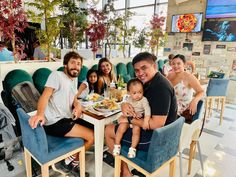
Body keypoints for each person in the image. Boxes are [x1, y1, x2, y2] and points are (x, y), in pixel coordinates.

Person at [105, 52, 178, 177]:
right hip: (164, 135)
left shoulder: (160, 87)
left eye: (144, 68)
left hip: (157, 140)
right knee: (118, 125)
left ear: (154, 66)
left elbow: (156, 124)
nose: (140, 73)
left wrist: (128, 119)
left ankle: (126, 174)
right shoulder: (150, 82)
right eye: (137, 70)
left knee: (108, 130)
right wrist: (124, 104)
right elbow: (134, 98)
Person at [28, 51, 94, 177]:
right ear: (65, 65)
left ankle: (70, 161)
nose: (76, 66)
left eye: (79, 64)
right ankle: (67, 163)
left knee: (92, 126)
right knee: (92, 136)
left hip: (65, 118)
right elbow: (45, 96)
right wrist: (40, 114)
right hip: (55, 122)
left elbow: (73, 96)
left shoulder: (73, 79)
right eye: (73, 63)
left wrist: (78, 105)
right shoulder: (57, 76)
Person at [113, 78, 150, 158]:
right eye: (134, 93)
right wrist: (127, 112)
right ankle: (117, 144)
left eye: (140, 92)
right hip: (129, 118)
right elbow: (124, 107)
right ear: (129, 93)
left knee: (136, 131)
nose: (138, 95)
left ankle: (133, 148)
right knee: (121, 128)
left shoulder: (143, 100)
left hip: (137, 120)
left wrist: (146, 121)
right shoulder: (128, 99)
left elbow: (147, 110)